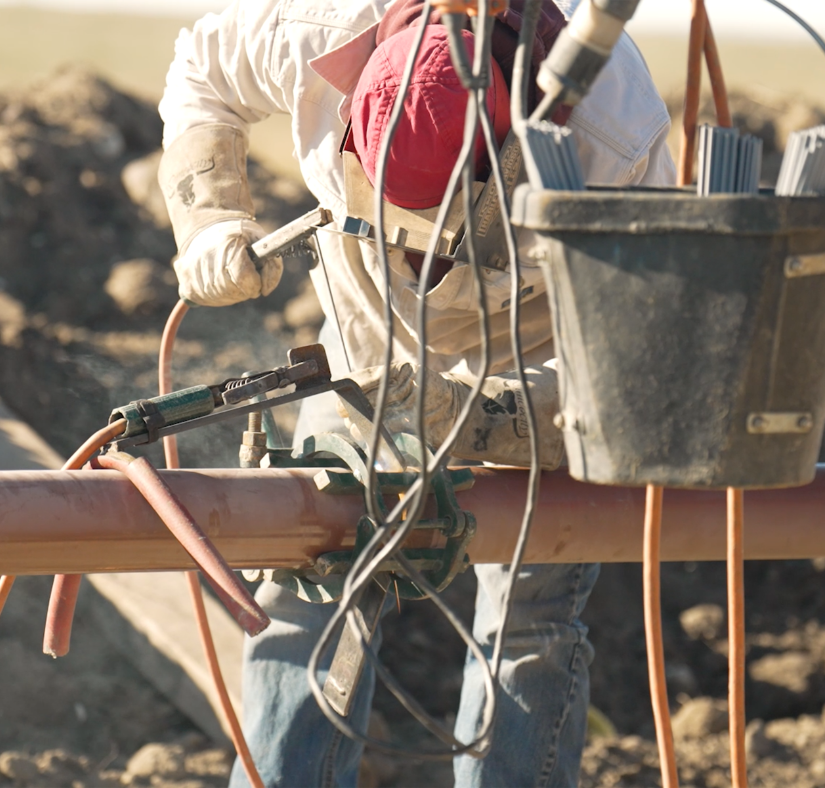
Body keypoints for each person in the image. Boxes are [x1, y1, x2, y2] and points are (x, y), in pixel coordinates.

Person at [158, 1, 675, 786]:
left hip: (544, 353)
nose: (422, 262)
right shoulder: (318, 32)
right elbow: (201, 68)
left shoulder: (615, 135)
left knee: (533, 612)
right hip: (371, 350)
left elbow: (638, 359)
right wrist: (208, 219)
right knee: (314, 576)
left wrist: (497, 421)